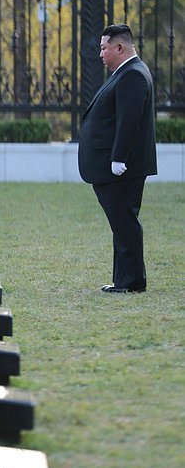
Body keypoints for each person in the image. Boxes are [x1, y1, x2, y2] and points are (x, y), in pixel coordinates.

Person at [78, 24, 156, 293]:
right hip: (116, 165)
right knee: (121, 222)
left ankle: (132, 281)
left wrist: (118, 158)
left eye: (104, 48)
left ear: (120, 48)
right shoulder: (125, 72)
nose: (100, 53)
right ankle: (123, 279)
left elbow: (129, 120)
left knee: (124, 221)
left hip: (122, 167)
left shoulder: (132, 75)